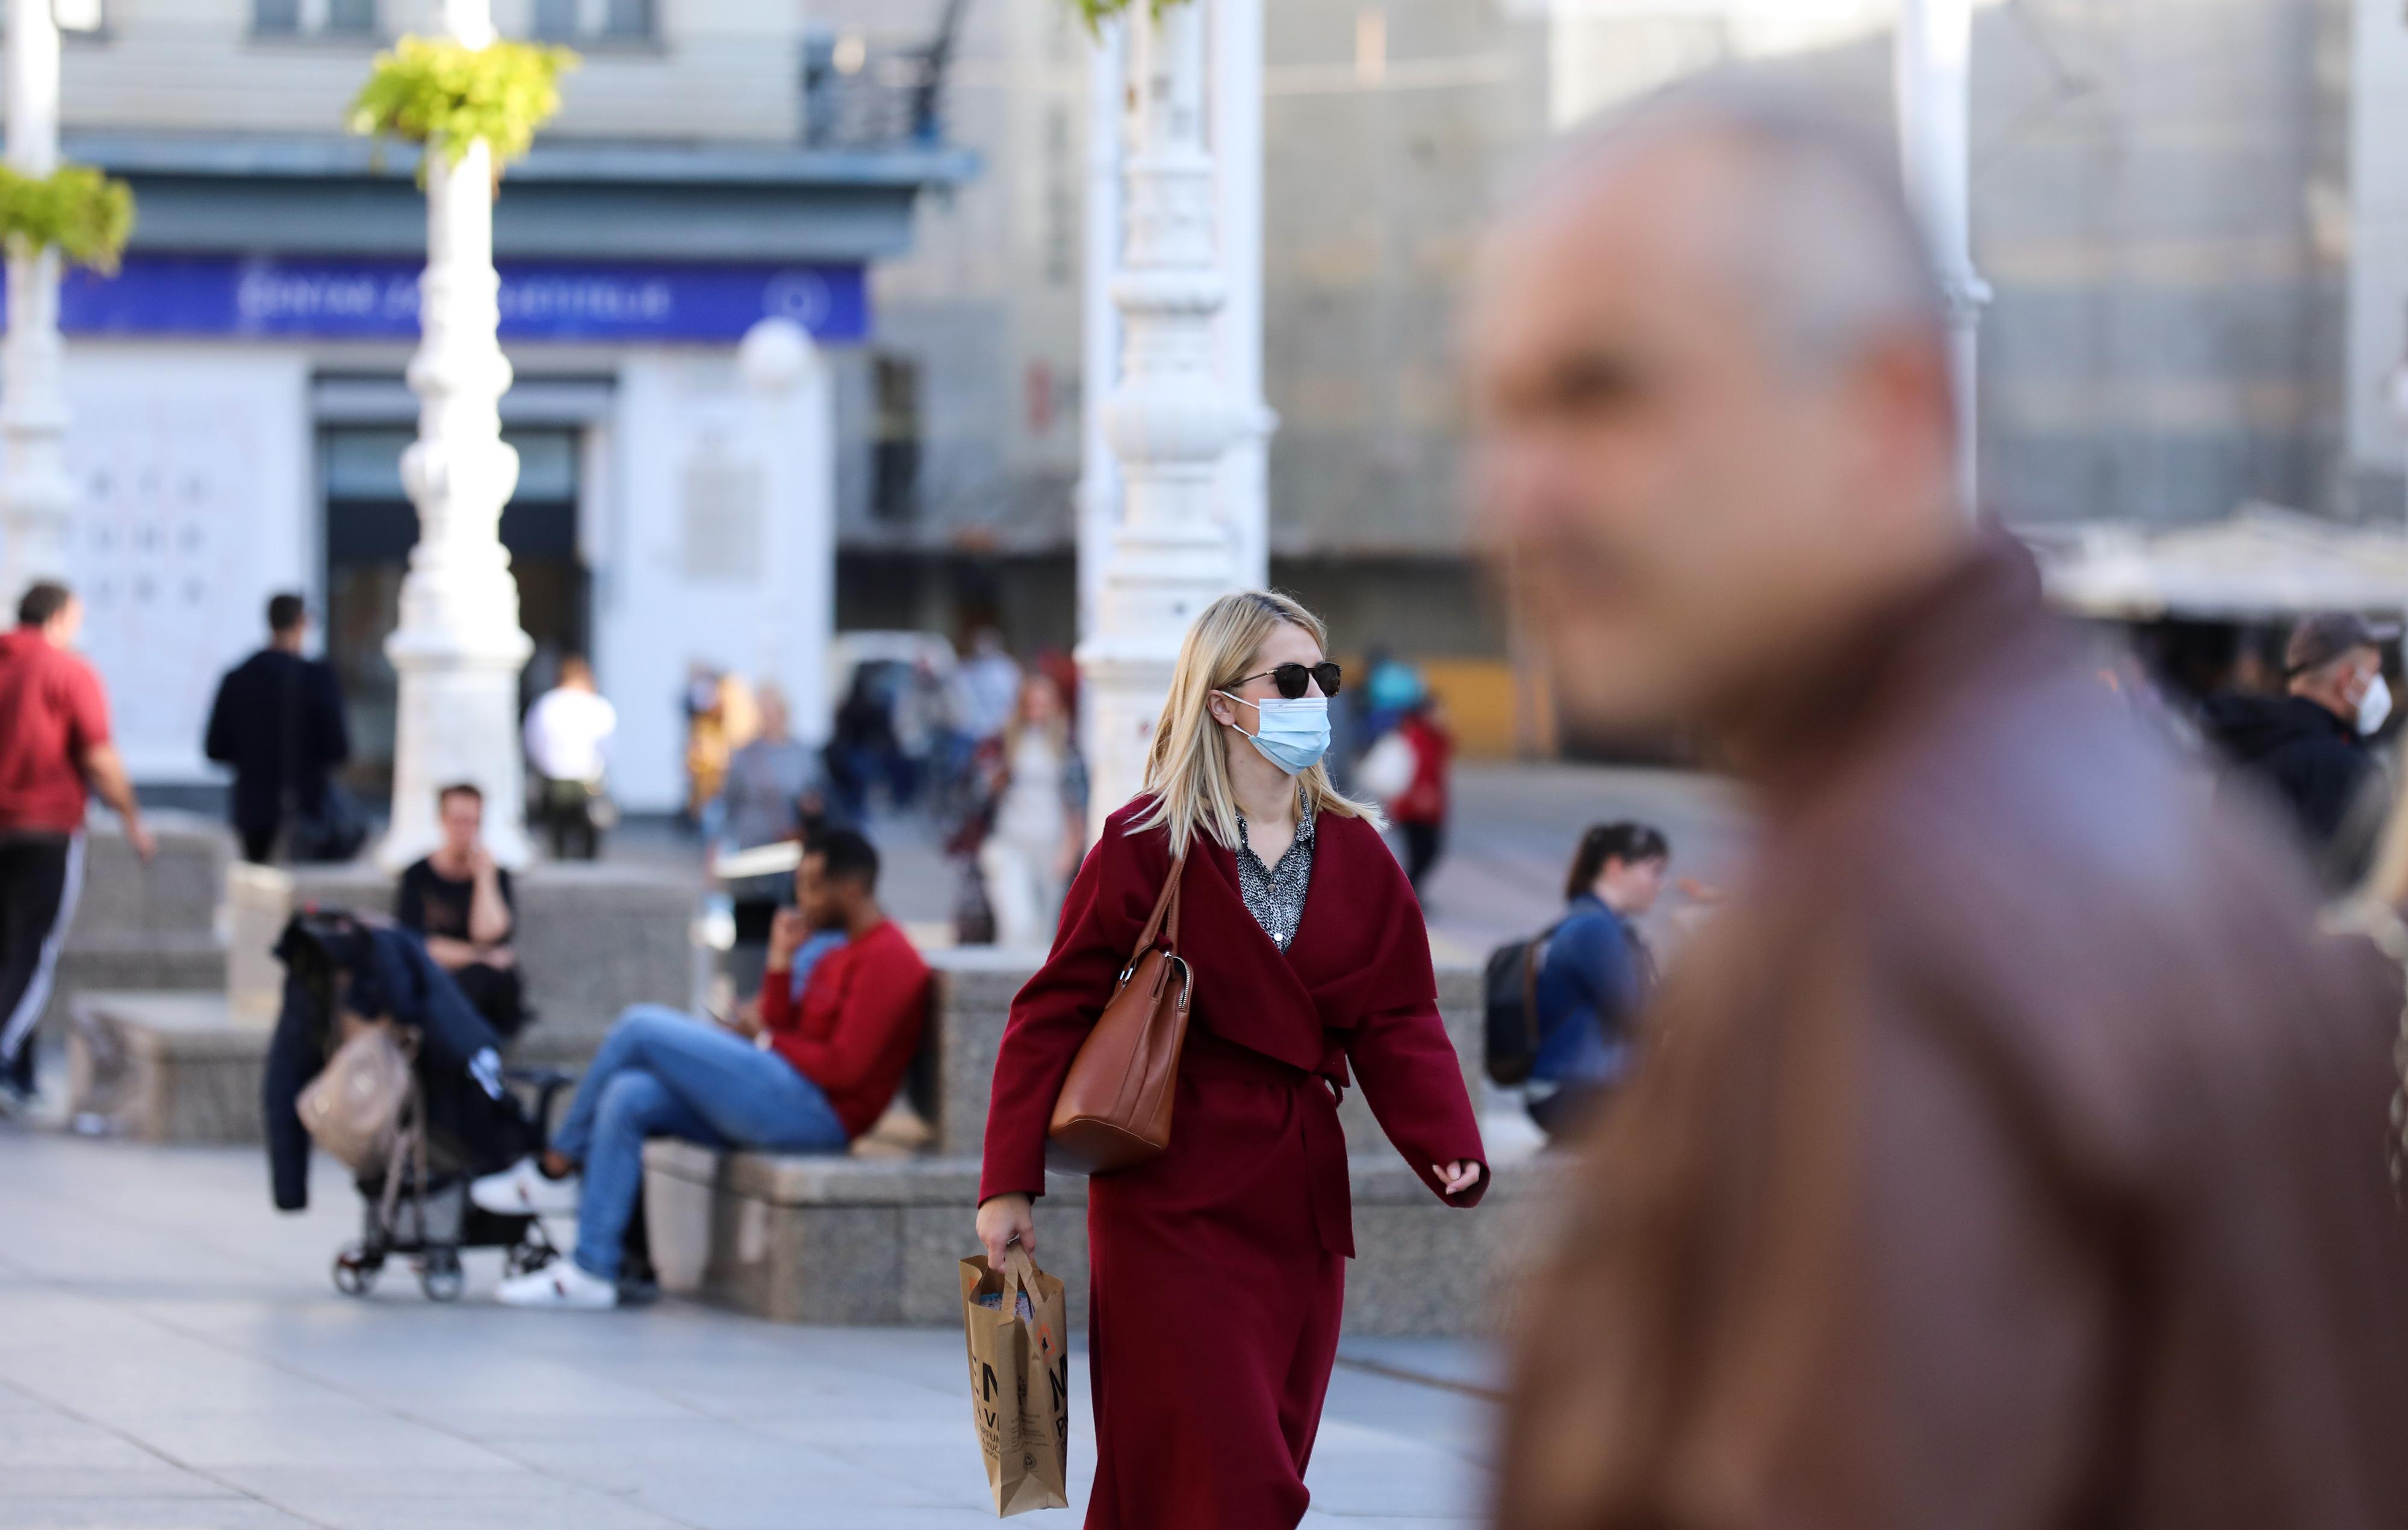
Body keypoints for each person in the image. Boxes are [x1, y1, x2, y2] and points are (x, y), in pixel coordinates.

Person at [1470, 82, 2408, 1525]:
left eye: (1607, 392)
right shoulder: (2083, 812)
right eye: (1502, 412)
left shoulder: (1886, 929)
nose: (1523, 495)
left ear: (1886, 406)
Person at [976, 589, 1486, 1529]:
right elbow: (1048, 1012)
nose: (1312, 699)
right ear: (1221, 701)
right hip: (1169, 1199)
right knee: (1238, 1481)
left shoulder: (1360, 852)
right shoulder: (1145, 842)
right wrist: (1007, 1183)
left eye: (1321, 680)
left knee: (1223, 1473)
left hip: (1296, 1208)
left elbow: (1401, 1015)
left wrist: (1446, 1139)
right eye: (1287, 680)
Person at [473, 829, 930, 1309]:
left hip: (820, 1117)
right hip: (784, 1091)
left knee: (640, 1027)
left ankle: (554, 1169)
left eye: (813, 886)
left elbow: (844, 1068)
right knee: (629, 1094)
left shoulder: (890, 958)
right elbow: (780, 1022)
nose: (801, 899)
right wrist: (779, 961)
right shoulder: (834, 949)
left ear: (852, 889)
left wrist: (767, 1041)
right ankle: (592, 1268)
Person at [0, 581, 152, 1107]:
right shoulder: (68, 671)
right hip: (44, 829)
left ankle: (18, 1074)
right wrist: (133, 819)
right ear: (60, 619)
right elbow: (99, 757)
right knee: (30, 953)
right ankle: (5, 1060)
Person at [2201, 611, 2394, 889]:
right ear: (2347, 680)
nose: (2379, 688)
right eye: (2374, 674)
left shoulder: (2247, 740)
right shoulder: (2345, 768)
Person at [1523, 821, 1666, 1142]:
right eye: (1654, 871)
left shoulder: (1595, 922)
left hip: (1574, 1089)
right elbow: (1642, 1016)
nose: (1661, 884)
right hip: (1570, 1094)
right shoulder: (1594, 929)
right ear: (1616, 867)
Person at [202, 592, 352, 864]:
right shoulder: (317, 678)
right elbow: (338, 748)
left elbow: (215, 749)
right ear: (301, 623)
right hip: (307, 809)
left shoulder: (238, 678)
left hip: (252, 813)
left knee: (258, 894)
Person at [717, 683, 828, 990]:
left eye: (771, 711)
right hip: (752, 854)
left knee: (791, 924)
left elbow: (819, 796)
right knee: (751, 930)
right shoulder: (744, 755)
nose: (767, 717)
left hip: (790, 855)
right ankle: (747, 991)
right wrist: (716, 851)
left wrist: (812, 811)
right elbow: (728, 805)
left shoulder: (802, 754)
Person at [395, 783, 526, 1038]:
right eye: (458, 821)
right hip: (437, 980)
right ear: (442, 820)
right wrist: (481, 956)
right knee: (462, 980)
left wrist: (484, 880)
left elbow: (490, 936)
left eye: (473, 822)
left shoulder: (493, 874)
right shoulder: (418, 875)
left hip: (486, 991)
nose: (465, 830)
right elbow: (417, 946)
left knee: (485, 979)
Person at [970, 671, 1088, 950]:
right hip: (1009, 842)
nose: (1038, 711)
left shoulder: (1066, 747)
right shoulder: (1003, 743)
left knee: (1044, 935)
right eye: (1031, 703)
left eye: (1044, 703)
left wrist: (1070, 850)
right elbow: (976, 793)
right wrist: (995, 780)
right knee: (1017, 923)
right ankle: (1007, 990)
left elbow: (1077, 803)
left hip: (1050, 847)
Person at [522, 654, 616, 861]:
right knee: (588, 826)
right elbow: (607, 745)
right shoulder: (597, 706)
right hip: (587, 775)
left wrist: (542, 764)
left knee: (559, 825)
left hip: (555, 772)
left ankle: (561, 859)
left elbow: (533, 739)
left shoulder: (546, 704)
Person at [1386, 695, 1452, 893]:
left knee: (1427, 851)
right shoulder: (1417, 737)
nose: (1444, 716)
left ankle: (1411, 894)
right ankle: (1407, 894)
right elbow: (1418, 770)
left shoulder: (1434, 738)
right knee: (1423, 852)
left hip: (1430, 807)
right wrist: (1419, 795)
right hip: (1414, 807)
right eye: (1439, 711)